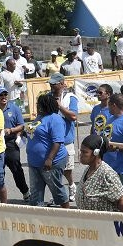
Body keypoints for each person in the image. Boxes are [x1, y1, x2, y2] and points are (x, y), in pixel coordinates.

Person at [25, 93, 69, 208]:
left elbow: (57, 141)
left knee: (57, 191)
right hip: (34, 163)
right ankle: (39, 220)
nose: (37, 106)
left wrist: (49, 159)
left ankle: (68, 215)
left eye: (39, 104)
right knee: (35, 195)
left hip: (51, 163)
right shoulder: (40, 117)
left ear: (45, 105)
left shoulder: (55, 119)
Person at [76, 134, 123, 212]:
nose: (81, 155)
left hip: (106, 223)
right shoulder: (88, 170)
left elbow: (122, 201)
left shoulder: (107, 174)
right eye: (81, 151)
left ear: (96, 153)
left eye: (85, 152)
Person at [47, 73, 79, 202]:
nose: (51, 86)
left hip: (66, 139)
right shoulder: (47, 97)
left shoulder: (70, 98)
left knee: (67, 169)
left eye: (54, 84)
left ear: (61, 84)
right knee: (55, 169)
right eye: (50, 83)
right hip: (52, 140)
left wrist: (59, 106)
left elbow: (73, 116)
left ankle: (71, 185)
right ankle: (59, 194)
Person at [0, 86, 30, 202]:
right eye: (1, 95)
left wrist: (10, 130)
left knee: (16, 168)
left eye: (5, 94)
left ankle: (25, 192)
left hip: (10, 143)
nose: (3, 97)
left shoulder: (14, 108)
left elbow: (21, 125)